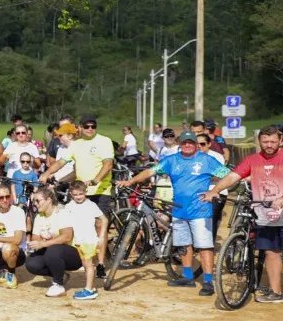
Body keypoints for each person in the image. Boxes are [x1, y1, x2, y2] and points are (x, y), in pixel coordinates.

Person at [119, 131, 229, 296]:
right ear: (180, 144)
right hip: (178, 210)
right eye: (184, 142)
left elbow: (228, 175)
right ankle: (187, 277)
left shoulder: (206, 160)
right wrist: (131, 181)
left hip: (200, 211)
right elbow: (150, 172)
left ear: (196, 144)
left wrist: (215, 190)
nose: (187, 145)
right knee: (184, 245)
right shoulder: (171, 160)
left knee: (204, 246)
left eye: (190, 142)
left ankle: (208, 281)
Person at [202, 125, 283, 303]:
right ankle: (276, 292)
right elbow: (233, 176)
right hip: (266, 214)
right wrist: (215, 190)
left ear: (280, 141)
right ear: (259, 141)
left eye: (273, 141)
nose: (269, 145)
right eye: (265, 141)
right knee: (271, 252)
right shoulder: (253, 160)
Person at [23, 186, 82, 297]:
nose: (35, 204)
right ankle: (60, 275)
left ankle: (58, 284)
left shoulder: (62, 213)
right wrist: (39, 242)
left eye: (38, 200)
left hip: (74, 254)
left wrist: (44, 242)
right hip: (52, 252)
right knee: (32, 264)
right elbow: (35, 238)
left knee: (53, 250)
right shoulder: (39, 216)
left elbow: (67, 237)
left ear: (49, 200)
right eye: (34, 201)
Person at [62, 180, 106, 300]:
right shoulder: (69, 206)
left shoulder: (91, 205)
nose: (78, 197)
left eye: (81, 194)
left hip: (89, 240)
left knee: (89, 264)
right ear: (71, 194)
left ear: (85, 192)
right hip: (78, 240)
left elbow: (104, 219)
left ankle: (89, 290)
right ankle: (90, 287)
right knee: (86, 265)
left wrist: (102, 236)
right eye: (75, 195)